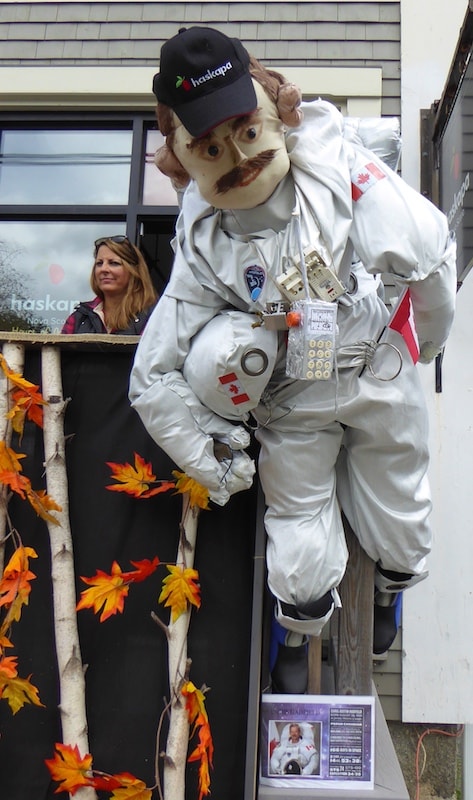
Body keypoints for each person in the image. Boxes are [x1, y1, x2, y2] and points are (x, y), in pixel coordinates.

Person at [129, 27, 457, 691]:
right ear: (183, 154)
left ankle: (392, 583)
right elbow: (154, 373)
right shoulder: (202, 239)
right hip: (290, 392)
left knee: (398, 491)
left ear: (272, 107)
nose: (238, 159)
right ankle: (302, 620)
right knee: (298, 516)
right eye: (210, 146)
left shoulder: (336, 164)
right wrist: (217, 458)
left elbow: (426, 254)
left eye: (245, 130)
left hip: (370, 363)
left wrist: (418, 342)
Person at [62, 235, 157, 334]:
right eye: (99, 263)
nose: (104, 269)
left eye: (114, 263)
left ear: (134, 270)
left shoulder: (153, 316)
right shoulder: (78, 318)